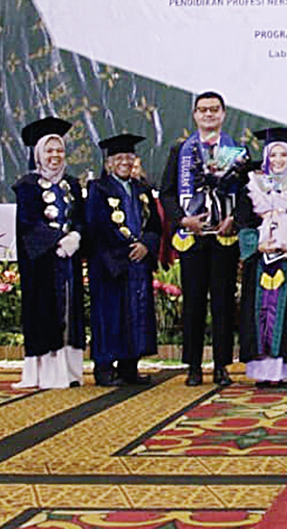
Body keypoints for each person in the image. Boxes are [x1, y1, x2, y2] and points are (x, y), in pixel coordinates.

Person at [158, 91, 249, 387]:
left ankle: (221, 365)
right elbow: (167, 193)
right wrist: (182, 220)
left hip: (224, 237)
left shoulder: (237, 152)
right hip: (193, 237)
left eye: (214, 109)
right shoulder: (181, 150)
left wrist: (234, 219)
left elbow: (247, 193)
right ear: (195, 115)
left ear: (223, 114)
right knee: (193, 303)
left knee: (223, 303)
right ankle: (194, 367)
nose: (208, 114)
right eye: (203, 109)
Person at [12, 116, 87, 389]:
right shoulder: (27, 186)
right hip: (42, 263)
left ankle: (69, 372)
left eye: (59, 150)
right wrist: (57, 241)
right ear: (38, 155)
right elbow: (28, 223)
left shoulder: (72, 184)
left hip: (68, 261)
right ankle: (44, 373)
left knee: (69, 311)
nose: (55, 156)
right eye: (49, 151)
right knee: (44, 311)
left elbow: (80, 217)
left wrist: (76, 235)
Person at [85, 133, 161, 386]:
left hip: (138, 265)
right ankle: (104, 368)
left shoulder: (142, 189)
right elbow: (95, 227)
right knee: (110, 316)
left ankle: (130, 366)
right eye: (119, 158)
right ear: (109, 163)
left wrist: (146, 245)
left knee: (136, 314)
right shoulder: (98, 189)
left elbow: (155, 224)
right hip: (109, 266)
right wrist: (124, 252)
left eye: (129, 157)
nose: (125, 162)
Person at [240, 126, 287, 387]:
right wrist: (256, 245)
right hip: (261, 261)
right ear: (266, 158)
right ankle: (261, 372)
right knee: (258, 312)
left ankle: (283, 372)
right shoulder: (252, 186)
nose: (278, 160)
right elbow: (243, 221)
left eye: (283, 155)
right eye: (273, 155)